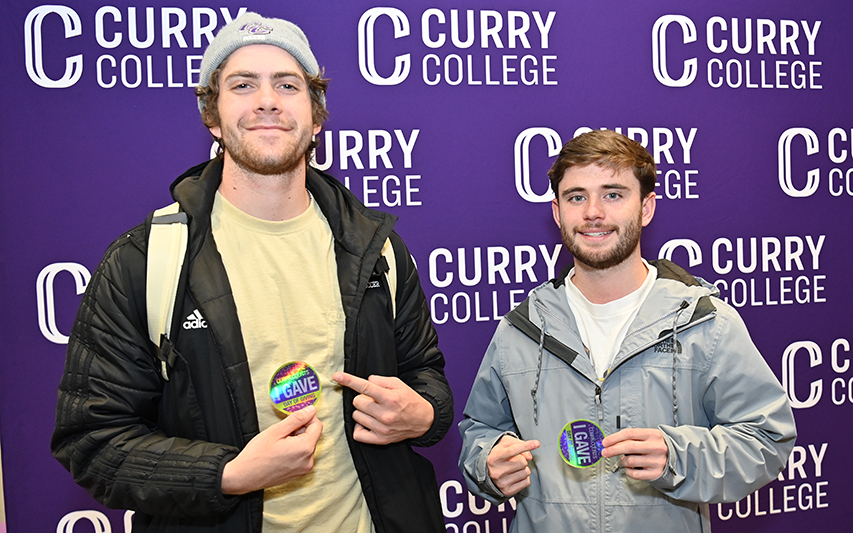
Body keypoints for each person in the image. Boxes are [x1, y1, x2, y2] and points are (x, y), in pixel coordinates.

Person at [52, 12, 452, 533]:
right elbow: (92, 440)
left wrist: (425, 414)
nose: (267, 101)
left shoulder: (376, 248)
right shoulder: (144, 261)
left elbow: (427, 377)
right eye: (243, 85)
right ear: (212, 117)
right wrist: (229, 473)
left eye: (287, 85)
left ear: (316, 116)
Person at [458, 129, 796, 532]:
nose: (593, 212)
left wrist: (677, 456)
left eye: (613, 194)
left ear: (646, 207)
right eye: (576, 197)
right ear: (557, 211)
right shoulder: (524, 328)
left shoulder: (706, 323)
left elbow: (766, 439)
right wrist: (488, 463)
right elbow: (480, 432)